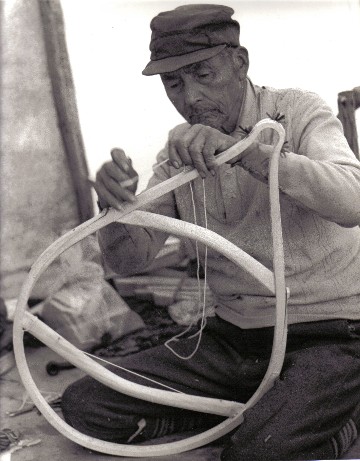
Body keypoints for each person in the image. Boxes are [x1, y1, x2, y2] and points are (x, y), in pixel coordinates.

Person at [62, 4, 360, 460]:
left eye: (203, 73)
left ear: (239, 62)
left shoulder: (296, 113)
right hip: (235, 340)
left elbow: (352, 201)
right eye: (174, 83)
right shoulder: (181, 152)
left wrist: (252, 154)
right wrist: (116, 206)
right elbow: (128, 261)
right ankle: (276, 415)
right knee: (85, 404)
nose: (192, 97)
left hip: (332, 333)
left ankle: (321, 420)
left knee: (258, 453)